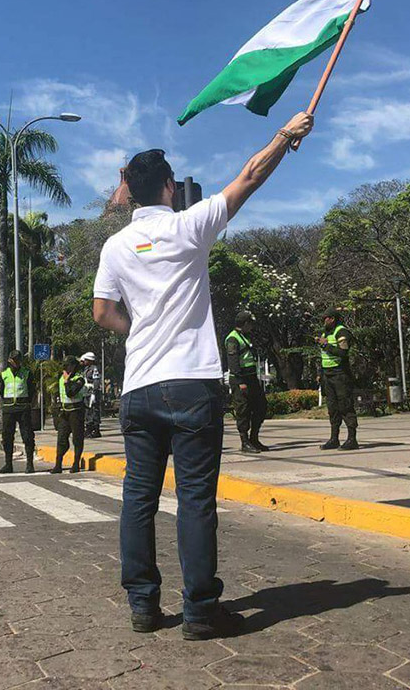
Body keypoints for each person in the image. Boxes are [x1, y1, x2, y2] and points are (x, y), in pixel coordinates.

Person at [93, 111, 315, 640]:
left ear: (129, 191)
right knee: (195, 500)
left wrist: (137, 331)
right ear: (169, 187)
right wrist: (285, 135)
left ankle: (144, 607)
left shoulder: (115, 247)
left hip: (140, 387)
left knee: (138, 499)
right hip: (192, 384)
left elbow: (102, 312)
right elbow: (250, 178)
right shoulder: (189, 226)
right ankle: (198, 611)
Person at [316, 308, 359, 451]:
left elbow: (343, 352)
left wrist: (325, 345)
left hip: (340, 374)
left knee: (345, 406)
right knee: (332, 408)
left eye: (325, 318)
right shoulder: (325, 333)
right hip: (328, 375)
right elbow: (323, 355)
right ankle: (334, 439)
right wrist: (320, 372)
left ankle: (352, 439)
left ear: (332, 319)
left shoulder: (341, 332)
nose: (324, 321)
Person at [225, 311, 268, 453]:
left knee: (260, 406)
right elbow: (233, 362)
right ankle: (245, 442)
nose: (252, 326)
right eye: (250, 323)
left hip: (251, 377)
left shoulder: (246, 336)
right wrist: (240, 381)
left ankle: (254, 439)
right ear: (245, 324)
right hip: (241, 379)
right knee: (243, 410)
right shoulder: (233, 339)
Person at [0, 349, 36, 474]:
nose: (17, 362)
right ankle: (8, 464)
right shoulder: (4, 374)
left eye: (18, 359)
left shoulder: (27, 373)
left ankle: (30, 464)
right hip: (9, 408)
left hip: (23, 408)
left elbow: (32, 390)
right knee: (7, 437)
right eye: (14, 359)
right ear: (10, 360)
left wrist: (27, 402)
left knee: (28, 436)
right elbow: (1, 390)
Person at [52, 357, 86, 474]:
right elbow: (59, 394)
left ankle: (76, 463)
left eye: (68, 366)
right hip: (64, 412)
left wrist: (67, 382)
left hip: (76, 412)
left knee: (77, 439)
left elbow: (70, 393)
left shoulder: (79, 379)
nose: (65, 368)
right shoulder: (61, 378)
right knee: (61, 438)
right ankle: (58, 465)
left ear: (73, 366)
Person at [80, 351, 102, 439]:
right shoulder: (86, 369)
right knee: (88, 411)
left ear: (90, 360)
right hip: (87, 393)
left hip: (92, 393)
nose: (84, 361)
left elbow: (96, 381)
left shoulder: (94, 369)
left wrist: (94, 392)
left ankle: (95, 429)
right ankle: (89, 428)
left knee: (93, 411)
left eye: (86, 360)